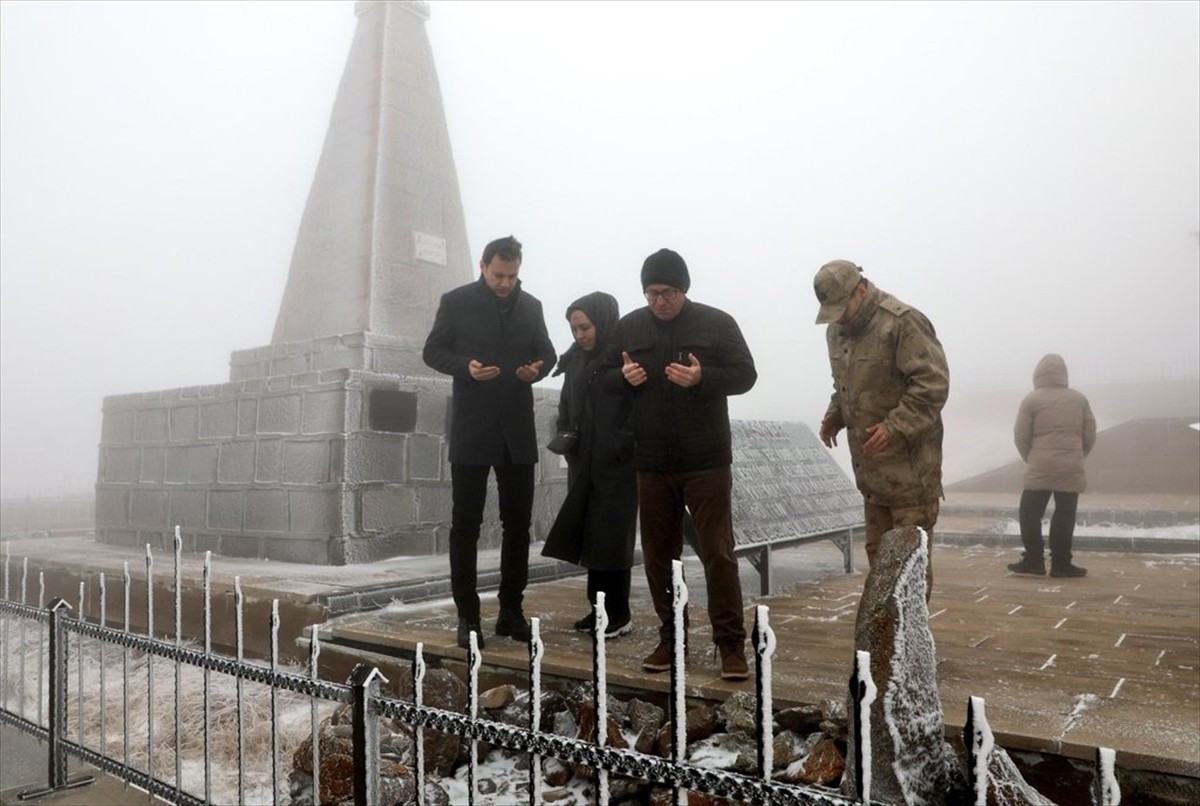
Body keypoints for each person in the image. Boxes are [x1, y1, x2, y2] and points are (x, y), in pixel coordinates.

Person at [601, 248, 758, 681]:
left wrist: (704, 377)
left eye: (667, 292)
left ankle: (730, 646)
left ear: (683, 289)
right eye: (651, 293)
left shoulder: (717, 323)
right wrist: (622, 379)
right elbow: (600, 376)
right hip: (651, 460)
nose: (659, 302)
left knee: (717, 554)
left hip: (705, 459)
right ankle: (672, 639)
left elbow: (746, 374)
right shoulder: (630, 327)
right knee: (658, 557)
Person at [422, 235, 556, 649]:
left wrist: (536, 368)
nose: (506, 283)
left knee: (518, 526)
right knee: (466, 526)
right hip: (473, 429)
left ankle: (510, 612)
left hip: (516, 430)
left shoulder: (531, 306)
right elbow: (433, 351)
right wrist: (466, 367)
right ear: (483, 266)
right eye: (499, 274)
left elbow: (547, 353)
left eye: (513, 276)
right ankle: (468, 617)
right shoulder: (456, 300)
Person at [813, 259, 948, 601]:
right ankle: (886, 648)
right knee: (882, 571)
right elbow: (845, 385)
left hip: (911, 477)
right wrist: (836, 414)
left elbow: (932, 385)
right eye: (832, 311)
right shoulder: (837, 330)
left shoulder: (902, 323)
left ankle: (909, 649)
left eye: (843, 307)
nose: (839, 316)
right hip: (872, 479)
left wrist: (895, 427)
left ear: (861, 290)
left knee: (908, 572)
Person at [541, 292, 637, 638]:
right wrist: (568, 438)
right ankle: (597, 611)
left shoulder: (621, 357)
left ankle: (619, 614)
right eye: (574, 328)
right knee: (591, 538)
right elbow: (568, 403)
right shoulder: (577, 359)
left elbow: (635, 408)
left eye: (586, 327)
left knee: (612, 538)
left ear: (603, 321)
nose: (580, 335)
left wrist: (622, 444)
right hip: (584, 459)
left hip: (617, 462)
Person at [1007, 353, 1096, 578]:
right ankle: (1061, 564)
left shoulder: (1031, 399)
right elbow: (1090, 434)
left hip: (1040, 465)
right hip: (1071, 466)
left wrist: (1032, 456)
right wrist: (1077, 455)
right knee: (1065, 515)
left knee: (1029, 513)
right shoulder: (1079, 399)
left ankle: (1034, 561)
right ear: (1064, 374)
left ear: (1038, 374)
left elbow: (1020, 435)